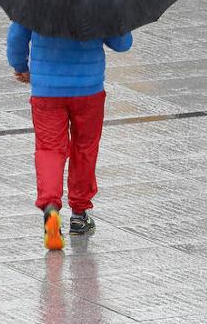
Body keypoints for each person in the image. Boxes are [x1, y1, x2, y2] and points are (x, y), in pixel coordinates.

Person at [7, 21, 132, 251]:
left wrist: (20, 65)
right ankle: (79, 214)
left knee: (49, 149)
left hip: (46, 89)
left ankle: (51, 207)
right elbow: (122, 44)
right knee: (85, 147)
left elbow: (16, 36)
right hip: (89, 89)